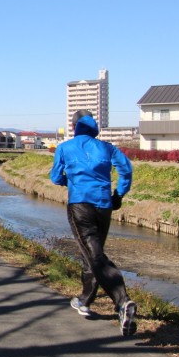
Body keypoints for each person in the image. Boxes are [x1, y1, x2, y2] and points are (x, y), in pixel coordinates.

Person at [50, 110, 137, 337]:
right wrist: (119, 194)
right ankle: (85, 300)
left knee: (94, 255)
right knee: (92, 252)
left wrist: (70, 180)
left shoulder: (65, 148)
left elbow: (55, 177)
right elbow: (126, 169)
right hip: (103, 204)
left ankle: (122, 301)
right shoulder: (107, 148)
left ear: (75, 126)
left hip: (80, 205)